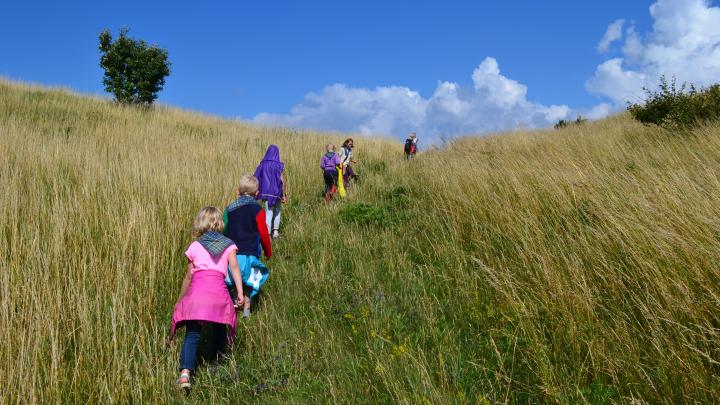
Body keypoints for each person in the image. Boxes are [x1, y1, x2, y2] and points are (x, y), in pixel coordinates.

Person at [169, 206, 245, 391]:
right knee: (219, 328)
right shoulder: (228, 244)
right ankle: (216, 365)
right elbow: (234, 268)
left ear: (200, 223)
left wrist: (181, 299)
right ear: (220, 223)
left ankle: (185, 374)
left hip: (196, 295)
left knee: (193, 334)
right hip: (218, 294)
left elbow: (189, 276)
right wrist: (240, 293)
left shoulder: (195, 246)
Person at [223, 175, 273, 319]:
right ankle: (246, 312)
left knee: (233, 285)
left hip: (232, 256)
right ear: (257, 193)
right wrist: (268, 252)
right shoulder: (258, 209)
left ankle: (232, 312)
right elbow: (264, 234)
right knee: (249, 285)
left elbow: (224, 230)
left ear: (238, 190)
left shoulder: (229, 209)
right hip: (250, 255)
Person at [254, 145, 287, 239]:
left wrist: (256, 191)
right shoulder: (279, 166)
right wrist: (283, 194)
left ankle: (267, 234)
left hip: (265, 193)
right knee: (277, 211)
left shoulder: (262, 165)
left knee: (268, 212)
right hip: (277, 193)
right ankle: (275, 232)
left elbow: (255, 177)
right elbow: (282, 181)